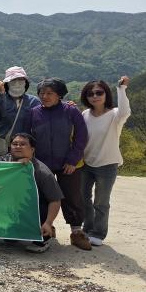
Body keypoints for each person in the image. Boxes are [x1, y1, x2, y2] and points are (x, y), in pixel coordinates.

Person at [24, 78, 91, 250]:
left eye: (49, 93)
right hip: (41, 164)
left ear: (59, 95)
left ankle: (77, 232)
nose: (44, 96)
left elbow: (81, 136)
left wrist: (73, 160)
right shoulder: (33, 113)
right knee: (43, 197)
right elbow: (26, 137)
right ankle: (47, 227)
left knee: (72, 196)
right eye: (41, 93)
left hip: (67, 163)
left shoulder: (71, 111)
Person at [80, 76, 131, 246]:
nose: (94, 96)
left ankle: (98, 233)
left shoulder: (115, 115)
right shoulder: (85, 114)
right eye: (90, 93)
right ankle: (87, 228)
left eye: (99, 92)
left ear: (105, 94)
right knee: (83, 198)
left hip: (107, 164)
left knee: (101, 202)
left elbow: (126, 112)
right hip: (86, 163)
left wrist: (121, 89)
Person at [0, 133, 63, 253]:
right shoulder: (2, 162)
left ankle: (44, 238)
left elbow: (55, 200)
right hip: (12, 206)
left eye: (23, 144)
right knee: (8, 240)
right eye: (15, 144)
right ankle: (13, 232)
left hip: (35, 208)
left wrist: (48, 222)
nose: (18, 146)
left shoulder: (42, 172)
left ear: (32, 149)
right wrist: (17, 167)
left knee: (40, 208)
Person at [0, 66, 41, 160]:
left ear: (26, 83)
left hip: (22, 148)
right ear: (7, 84)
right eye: (13, 80)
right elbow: (0, 115)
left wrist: (67, 105)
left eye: (20, 80)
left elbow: (44, 114)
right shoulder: (0, 99)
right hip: (0, 148)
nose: (17, 83)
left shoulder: (34, 101)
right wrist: (1, 94)